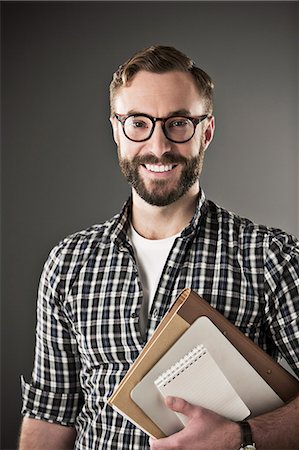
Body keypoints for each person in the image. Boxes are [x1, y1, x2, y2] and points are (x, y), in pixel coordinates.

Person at [19, 45, 299, 450]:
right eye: (138, 123)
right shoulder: (69, 263)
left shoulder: (268, 258)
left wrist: (243, 435)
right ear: (117, 130)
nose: (159, 145)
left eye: (178, 123)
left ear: (206, 131)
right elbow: (51, 414)